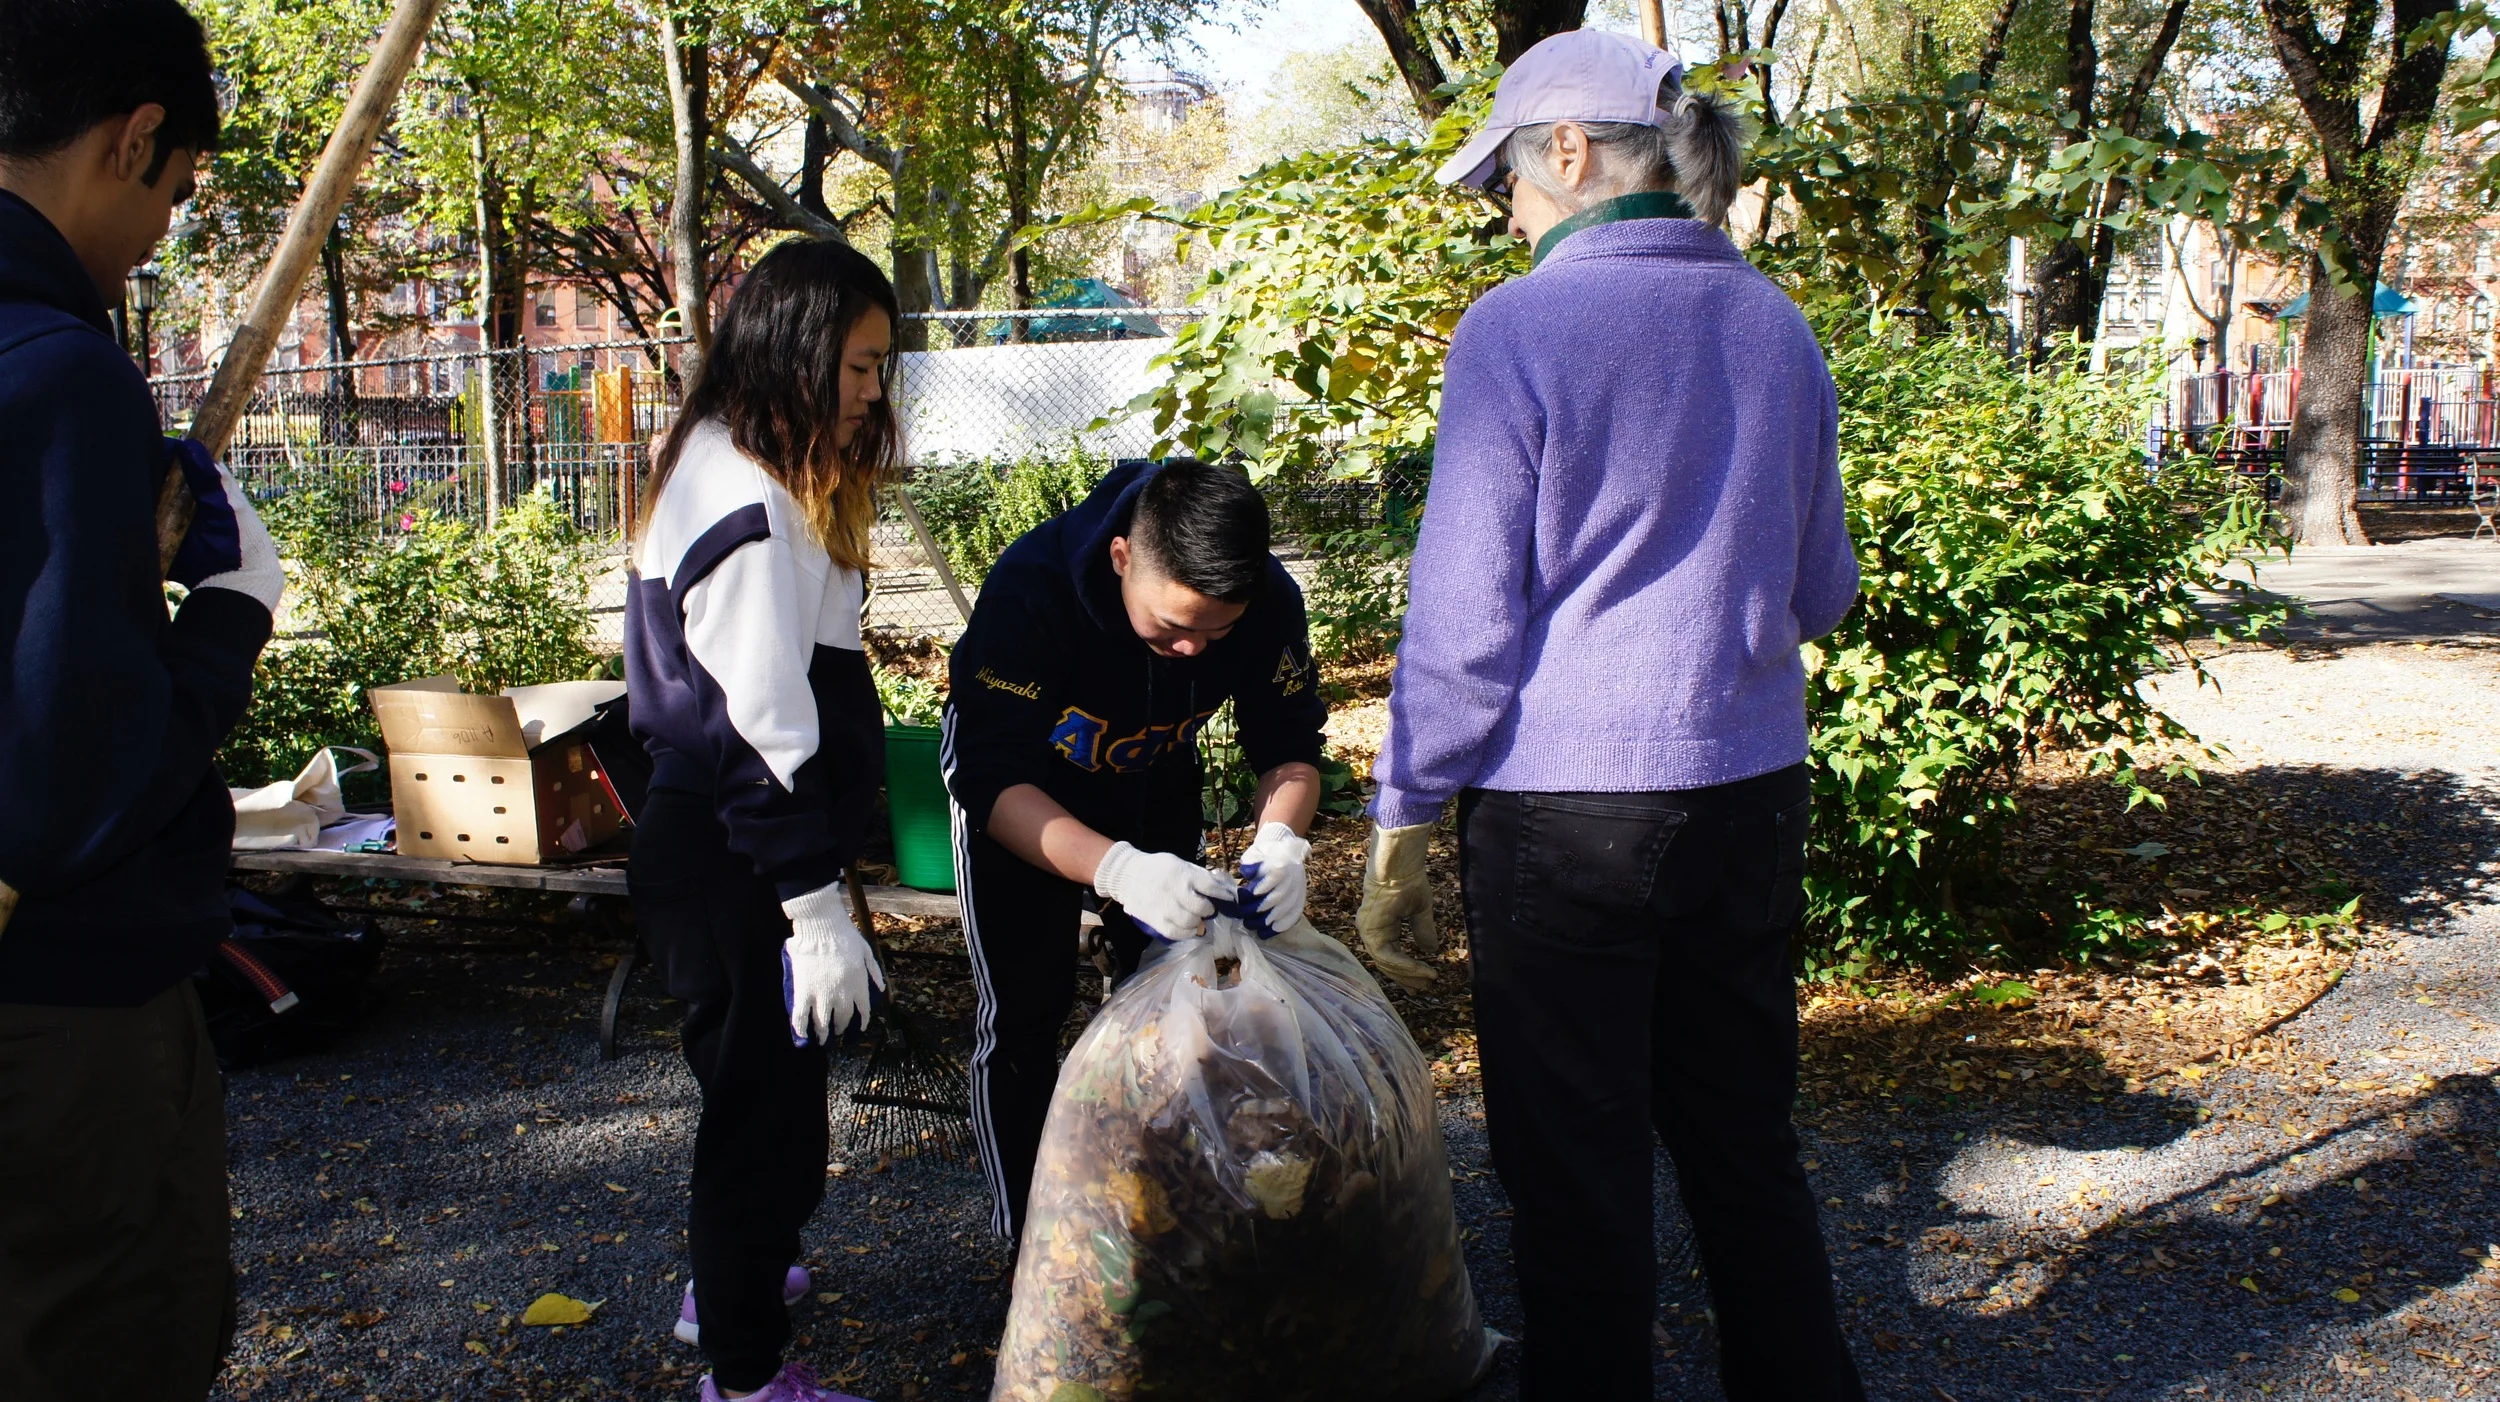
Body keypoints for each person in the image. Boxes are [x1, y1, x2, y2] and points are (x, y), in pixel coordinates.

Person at [1354, 29, 1866, 1402]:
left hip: (1565, 819)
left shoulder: (1516, 329)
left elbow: (1464, 628)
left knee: (1577, 1179)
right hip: (1748, 796)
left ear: (1570, 152)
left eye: (1506, 184)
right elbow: (1825, 588)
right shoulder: (1775, 325)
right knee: (1745, 1150)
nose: (1507, 214)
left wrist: (1404, 816)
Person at [0, 3, 282, 1395]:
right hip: (61, 999)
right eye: (175, 190)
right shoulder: (62, 374)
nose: (164, 229)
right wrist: (229, 614)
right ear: (134, 138)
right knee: (109, 1338)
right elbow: (80, 783)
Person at [624, 238, 897, 1402]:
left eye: (881, 368)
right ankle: (743, 1376)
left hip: (725, 843)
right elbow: (757, 722)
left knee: (760, 1098)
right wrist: (812, 907)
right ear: (797, 349)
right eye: (858, 365)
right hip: (735, 848)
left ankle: (730, 1281)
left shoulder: (743, 465)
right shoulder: (744, 492)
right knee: (759, 1116)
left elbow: (796, 683)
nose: (873, 391)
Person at [942, 457, 1328, 1239]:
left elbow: (1290, 749)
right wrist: (1117, 870)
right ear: (1122, 557)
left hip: (1153, 780)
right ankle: (1030, 1242)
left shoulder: (1267, 599)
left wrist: (1282, 840)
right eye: (1172, 626)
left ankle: (1163, 1216)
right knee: (1023, 1015)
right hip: (1027, 804)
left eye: (1216, 632)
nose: (1192, 650)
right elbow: (988, 778)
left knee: (1177, 1003)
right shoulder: (1033, 589)